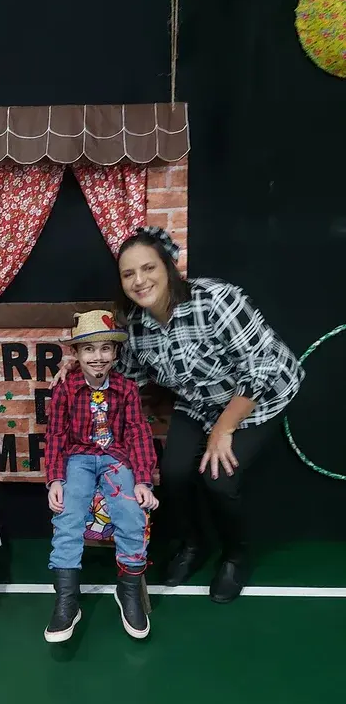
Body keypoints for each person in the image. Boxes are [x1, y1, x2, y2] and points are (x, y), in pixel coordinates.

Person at [53, 226, 304, 603]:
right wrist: (80, 369)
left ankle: (235, 557)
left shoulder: (216, 298)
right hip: (199, 401)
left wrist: (225, 428)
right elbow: (126, 377)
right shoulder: (135, 325)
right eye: (128, 274)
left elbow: (261, 368)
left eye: (148, 268)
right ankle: (193, 544)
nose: (139, 280)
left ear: (168, 267)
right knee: (172, 472)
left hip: (260, 396)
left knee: (219, 478)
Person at [44, 309, 159, 644]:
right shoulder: (66, 389)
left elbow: (137, 433)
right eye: (89, 349)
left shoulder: (126, 389)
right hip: (78, 458)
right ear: (76, 354)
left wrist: (143, 480)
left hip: (114, 458)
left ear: (115, 352)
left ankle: (128, 591)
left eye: (105, 348)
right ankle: (67, 600)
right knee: (68, 515)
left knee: (131, 512)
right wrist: (54, 479)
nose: (98, 357)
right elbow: (55, 435)